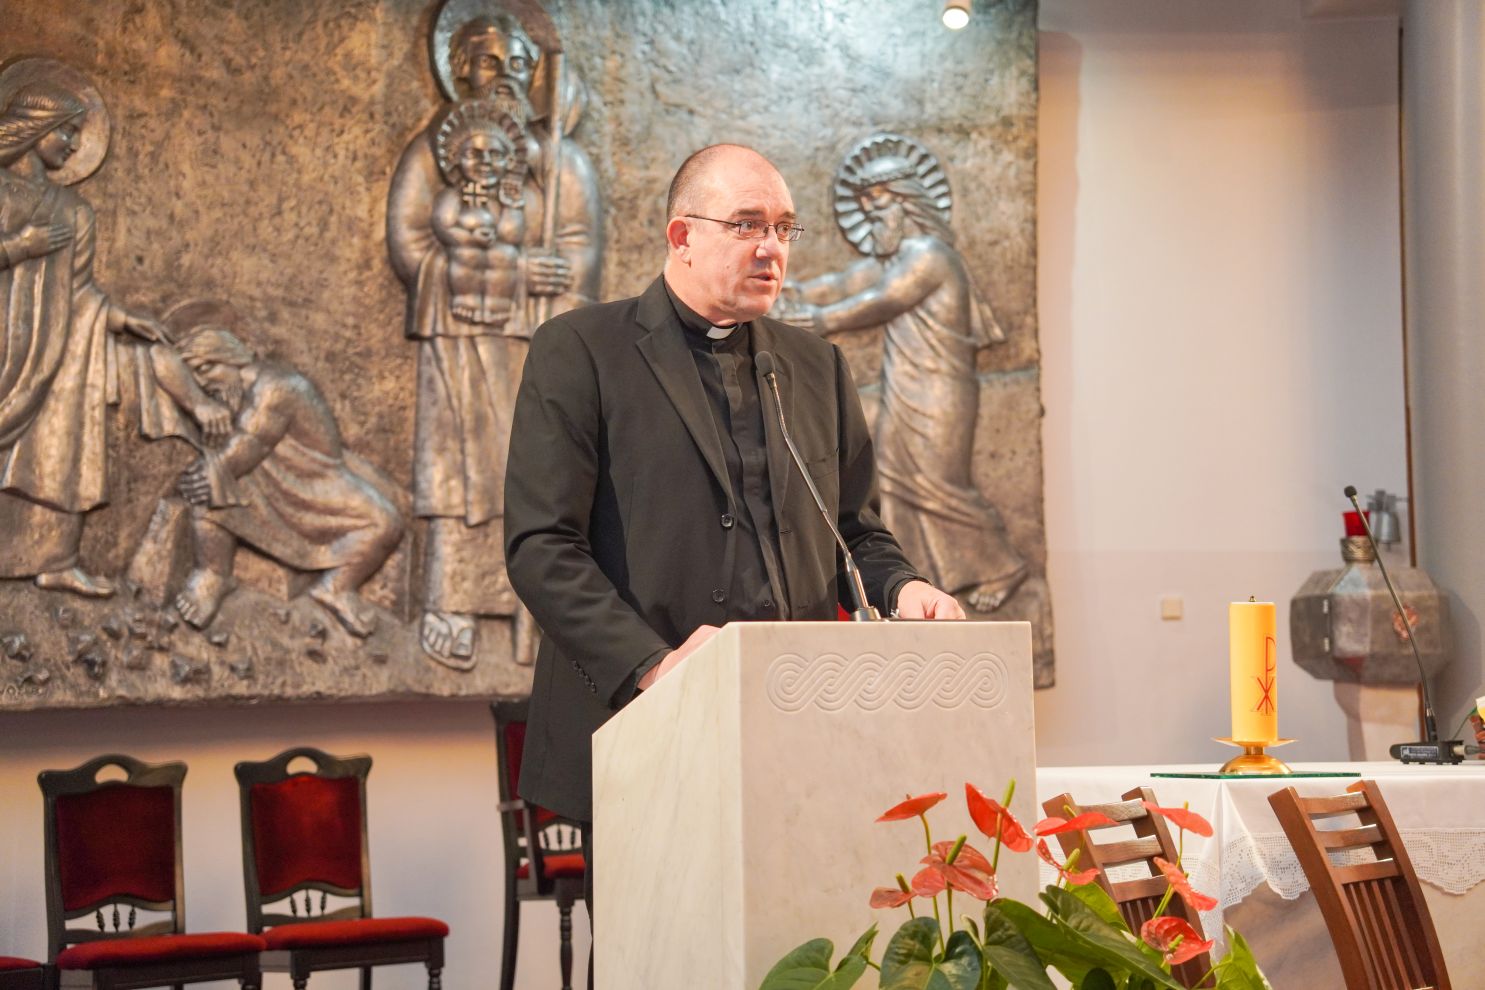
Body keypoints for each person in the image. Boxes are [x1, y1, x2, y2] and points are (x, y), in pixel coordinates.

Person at [503, 144, 966, 960]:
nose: (772, 248)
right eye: (747, 225)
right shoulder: (581, 350)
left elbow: (854, 529)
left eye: (784, 228)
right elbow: (542, 546)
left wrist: (903, 590)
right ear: (681, 234)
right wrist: (652, 665)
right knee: (671, 961)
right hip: (645, 731)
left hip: (794, 733)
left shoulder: (814, 367)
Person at [387, 12, 602, 669]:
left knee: (536, 476)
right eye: (489, 63)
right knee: (457, 473)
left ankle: (532, 608)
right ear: (459, 71)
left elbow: (580, 253)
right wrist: (508, 270)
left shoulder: (562, 160)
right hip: (457, 335)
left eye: (518, 66)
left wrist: (555, 279)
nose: (505, 77)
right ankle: (449, 601)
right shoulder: (435, 151)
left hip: (533, 349)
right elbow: (408, 242)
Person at [777, 137, 1028, 611]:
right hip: (906, 387)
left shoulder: (929, 255)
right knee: (894, 481)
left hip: (939, 391)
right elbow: (844, 282)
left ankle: (1003, 565)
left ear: (907, 203)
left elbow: (881, 300)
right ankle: (921, 581)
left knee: (940, 483)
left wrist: (818, 320)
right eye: (867, 214)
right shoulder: (891, 258)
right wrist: (794, 288)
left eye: (879, 211)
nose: (872, 222)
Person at [0, 81, 166, 596]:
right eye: (66, 131)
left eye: (77, 134)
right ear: (36, 130)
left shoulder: (75, 212)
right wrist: (17, 248)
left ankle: (54, 558)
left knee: (61, 443)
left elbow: (80, 292)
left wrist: (116, 318)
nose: (72, 144)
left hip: (47, 354)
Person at [150, 325, 403, 636]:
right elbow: (158, 355)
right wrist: (198, 407)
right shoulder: (226, 392)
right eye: (196, 377)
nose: (204, 384)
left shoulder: (279, 387)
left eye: (206, 370)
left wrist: (214, 469)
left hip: (312, 481)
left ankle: (337, 587)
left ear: (229, 357)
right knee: (210, 484)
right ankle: (213, 574)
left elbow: (251, 443)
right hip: (262, 477)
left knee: (385, 523)